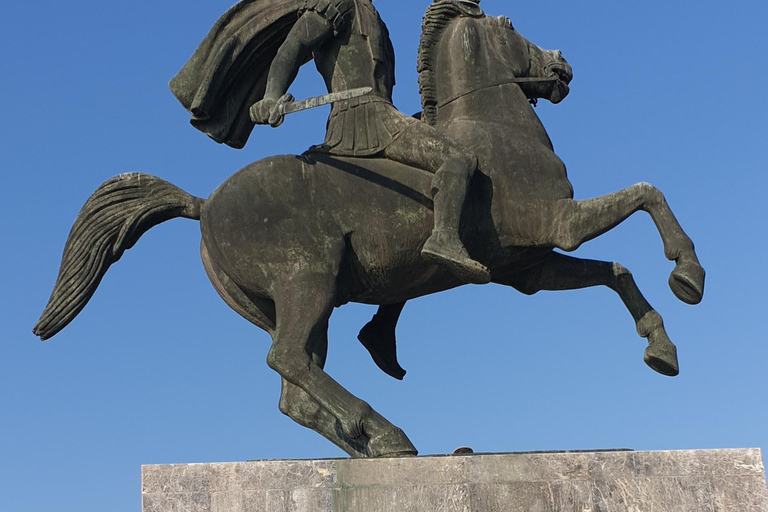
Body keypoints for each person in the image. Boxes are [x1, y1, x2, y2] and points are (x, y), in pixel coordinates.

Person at [249, 0, 489, 285]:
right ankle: (444, 238)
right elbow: (293, 46)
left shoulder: (373, 17)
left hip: (383, 115)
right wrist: (272, 95)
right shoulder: (338, 4)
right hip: (367, 120)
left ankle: (386, 318)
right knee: (457, 159)